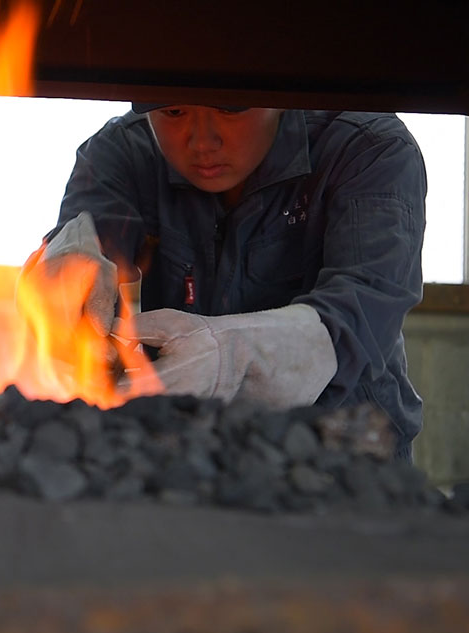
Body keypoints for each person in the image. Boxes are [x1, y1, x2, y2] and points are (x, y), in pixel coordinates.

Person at [28, 104, 426, 459]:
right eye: (174, 113)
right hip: (177, 452)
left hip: (341, 451)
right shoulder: (124, 152)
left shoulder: (366, 149)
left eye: (231, 108)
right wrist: (67, 278)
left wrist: (235, 355)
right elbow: (83, 248)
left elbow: (365, 308)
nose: (203, 141)